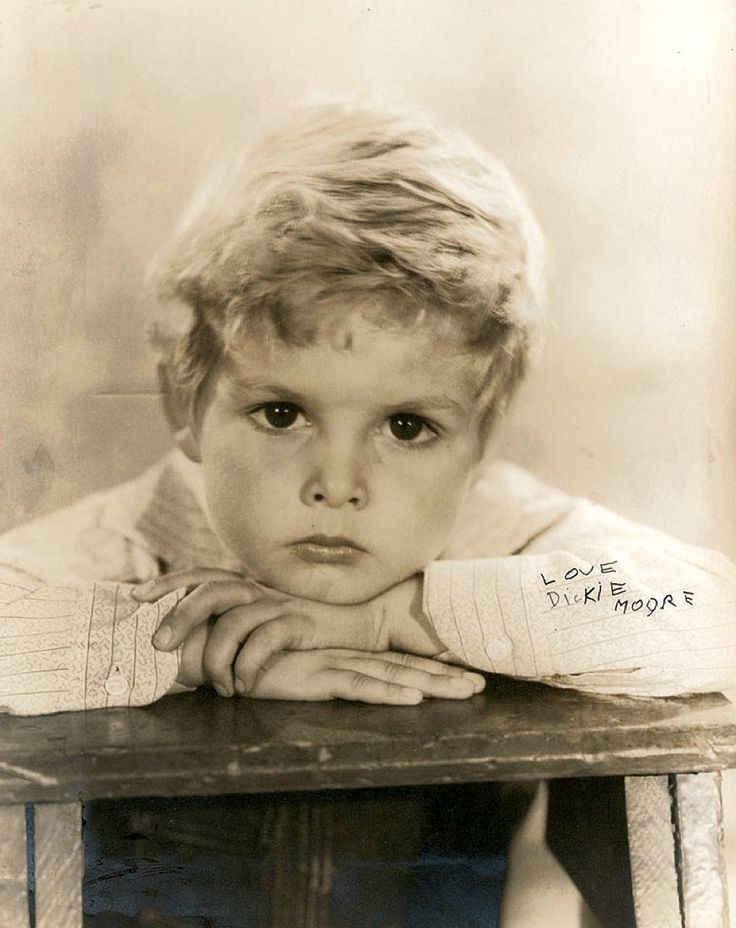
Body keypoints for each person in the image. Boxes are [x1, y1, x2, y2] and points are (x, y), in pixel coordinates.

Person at [1, 100, 734, 926]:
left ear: (480, 438)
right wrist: (193, 647)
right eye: (282, 413)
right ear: (186, 400)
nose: (339, 483)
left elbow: (712, 613)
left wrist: (394, 618)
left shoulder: (495, 527)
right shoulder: (118, 547)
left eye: (408, 427)